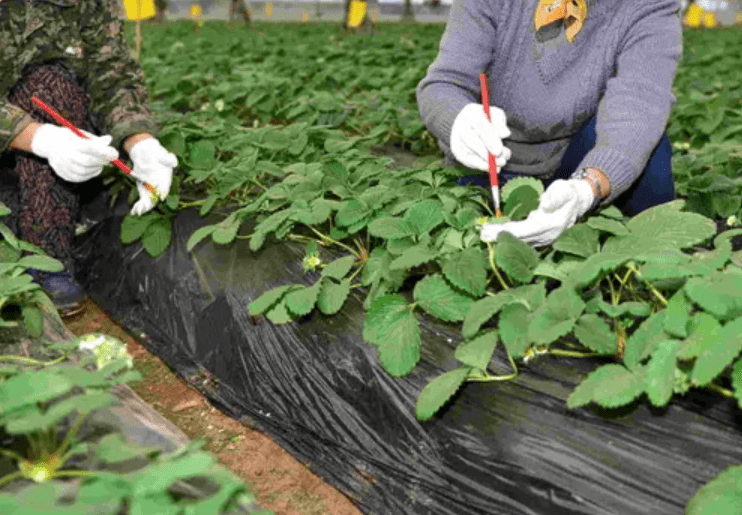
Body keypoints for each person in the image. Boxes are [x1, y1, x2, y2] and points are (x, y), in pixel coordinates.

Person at [416, 0, 682, 247]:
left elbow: (639, 103)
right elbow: (444, 83)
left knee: (652, 154)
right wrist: (458, 119)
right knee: (473, 246)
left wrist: (587, 188)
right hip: (486, 162)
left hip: (570, 162)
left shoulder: (649, 5)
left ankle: (649, 263)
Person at [0, 0, 178, 317]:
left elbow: (111, 72)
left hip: (35, 118)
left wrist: (140, 141)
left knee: (53, 84)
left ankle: (45, 256)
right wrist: (38, 138)